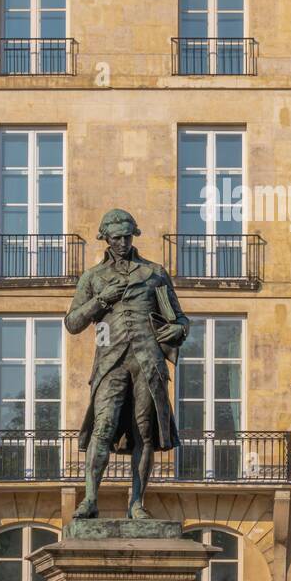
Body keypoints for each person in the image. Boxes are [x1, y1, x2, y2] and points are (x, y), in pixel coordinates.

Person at [65, 209, 189, 519]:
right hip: (110, 363)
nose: (122, 242)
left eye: (127, 236)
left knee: (144, 432)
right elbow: (73, 322)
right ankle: (90, 499)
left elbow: (180, 318)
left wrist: (179, 328)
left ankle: (137, 503)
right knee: (103, 427)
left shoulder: (154, 273)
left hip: (149, 362)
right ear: (105, 238)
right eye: (116, 237)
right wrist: (102, 300)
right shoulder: (93, 278)